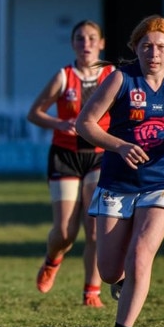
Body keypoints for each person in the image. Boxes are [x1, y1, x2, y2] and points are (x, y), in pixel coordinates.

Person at [75, 15, 164, 327]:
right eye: (146, 46)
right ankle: (123, 283)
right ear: (135, 48)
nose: (154, 53)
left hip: (163, 180)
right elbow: (85, 124)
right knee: (108, 271)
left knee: (141, 255)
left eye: (161, 46)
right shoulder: (120, 79)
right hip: (117, 183)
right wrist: (119, 145)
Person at [26, 20, 114, 308]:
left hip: (100, 155)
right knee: (65, 231)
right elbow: (34, 113)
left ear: (101, 43)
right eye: (80, 38)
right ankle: (52, 260)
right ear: (73, 44)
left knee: (94, 227)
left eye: (91, 38)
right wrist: (58, 122)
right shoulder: (64, 76)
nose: (86, 43)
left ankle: (91, 291)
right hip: (65, 156)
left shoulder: (113, 75)